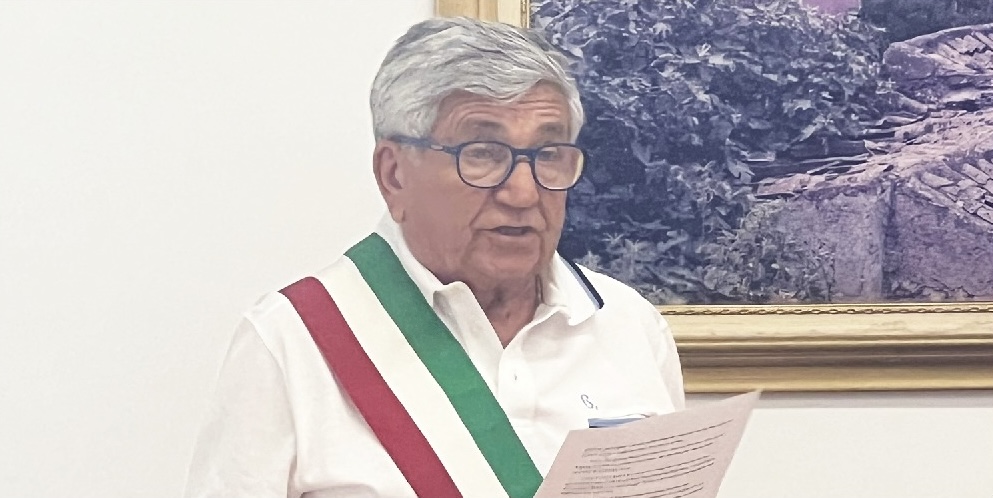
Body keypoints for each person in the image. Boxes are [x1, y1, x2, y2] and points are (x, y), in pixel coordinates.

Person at [184, 16, 684, 498]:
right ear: (394, 174)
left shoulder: (629, 325)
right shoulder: (294, 339)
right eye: (483, 153)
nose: (524, 192)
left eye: (548, 155)